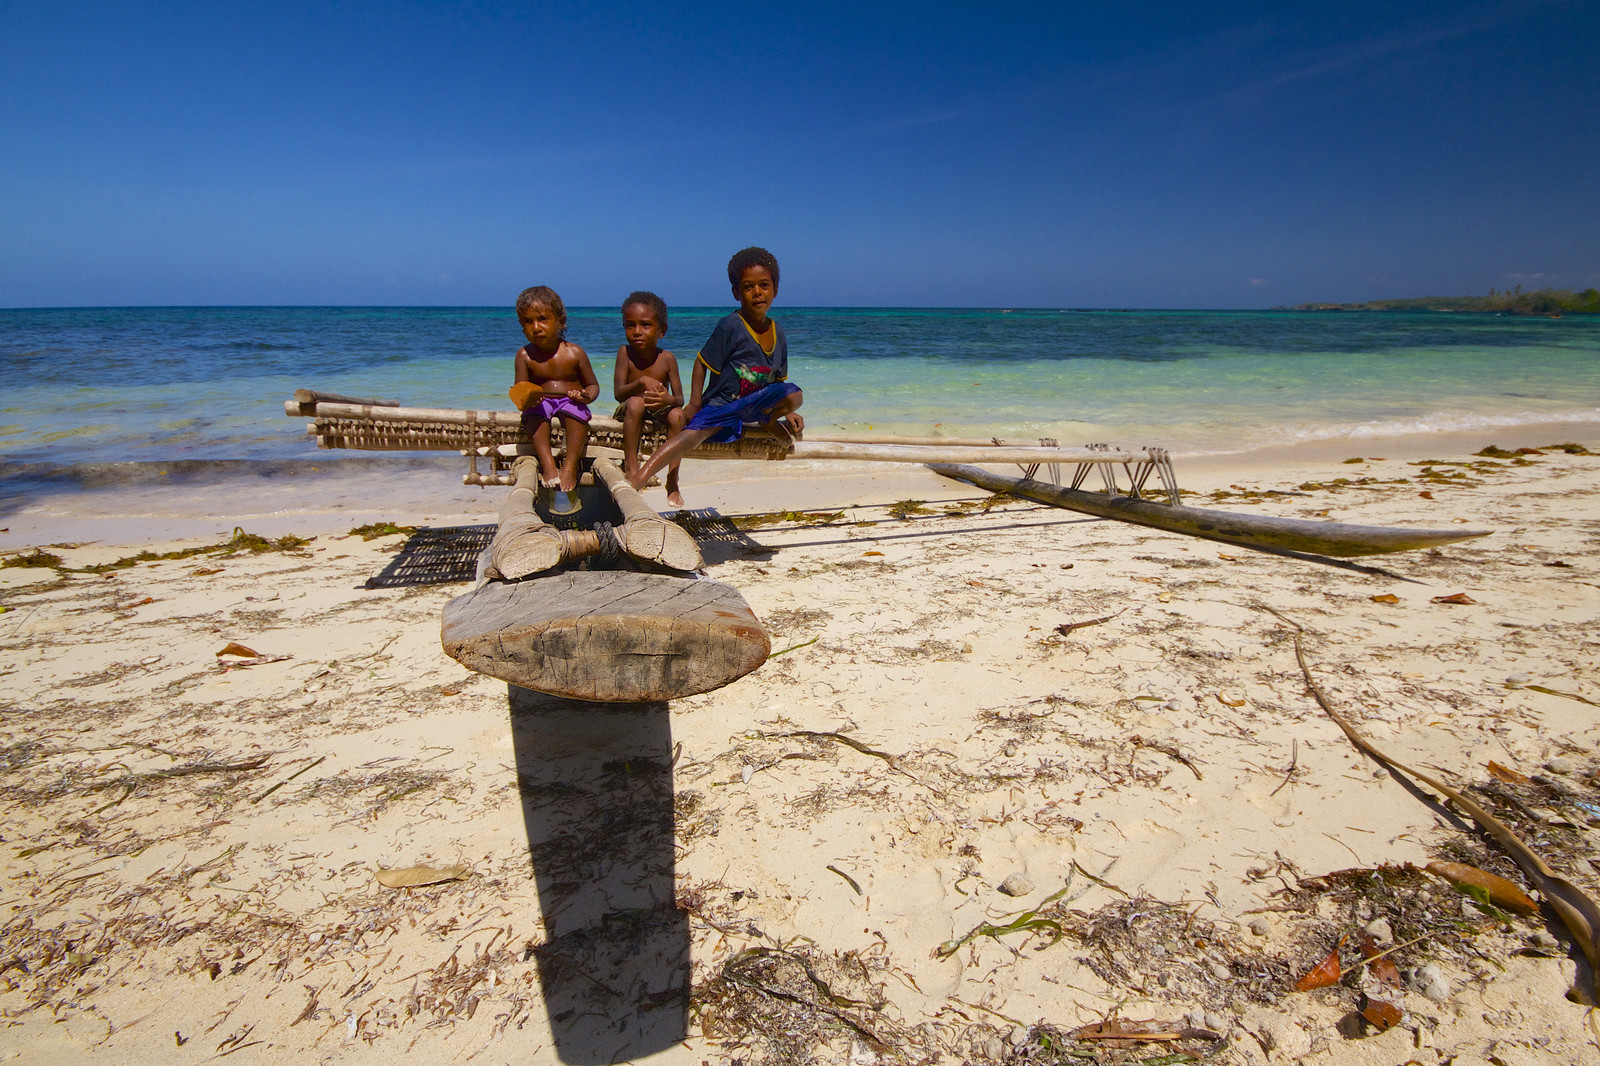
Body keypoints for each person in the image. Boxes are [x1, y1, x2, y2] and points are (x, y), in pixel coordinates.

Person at [626, 247, 803, 492]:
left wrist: (786, 412)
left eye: (764, 285)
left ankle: (769, 420)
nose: (757, 292)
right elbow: (701, 363)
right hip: (724, 402)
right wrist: (695, 404)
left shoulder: (778, 332)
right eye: (748, 287)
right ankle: (641, 476)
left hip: (757, 404)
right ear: (736, 293)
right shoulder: (731, 325)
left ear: (775, 289)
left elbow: (779, 380)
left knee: (795, 395)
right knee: (692, 436)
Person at [509, 285, 599, 493]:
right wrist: (529, 399)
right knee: (534, 414)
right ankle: (548, 463)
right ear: (522, 326)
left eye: (543, 319)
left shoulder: (574, 353)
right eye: (528, 321)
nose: (536, 327)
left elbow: (593, 385)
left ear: (560, 321)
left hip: (571, 400)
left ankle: (569, 467)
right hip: (542, 402)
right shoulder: (524, 356)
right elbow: (520, 391)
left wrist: (585, 397)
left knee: (576, 413)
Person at [611, 291, 687, 506]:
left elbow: (679, 398)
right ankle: (632, 467)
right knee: (635, 402)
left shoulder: (667, 359)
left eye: (645, 325)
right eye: (630, 325)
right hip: (631, 408)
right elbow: (619, 394)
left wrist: (667, 400)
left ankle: (672, 479)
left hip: (659, 409)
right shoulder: (624, 353)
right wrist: (641, 382)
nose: (637, 331)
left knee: (678, 416)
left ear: (661, 331)